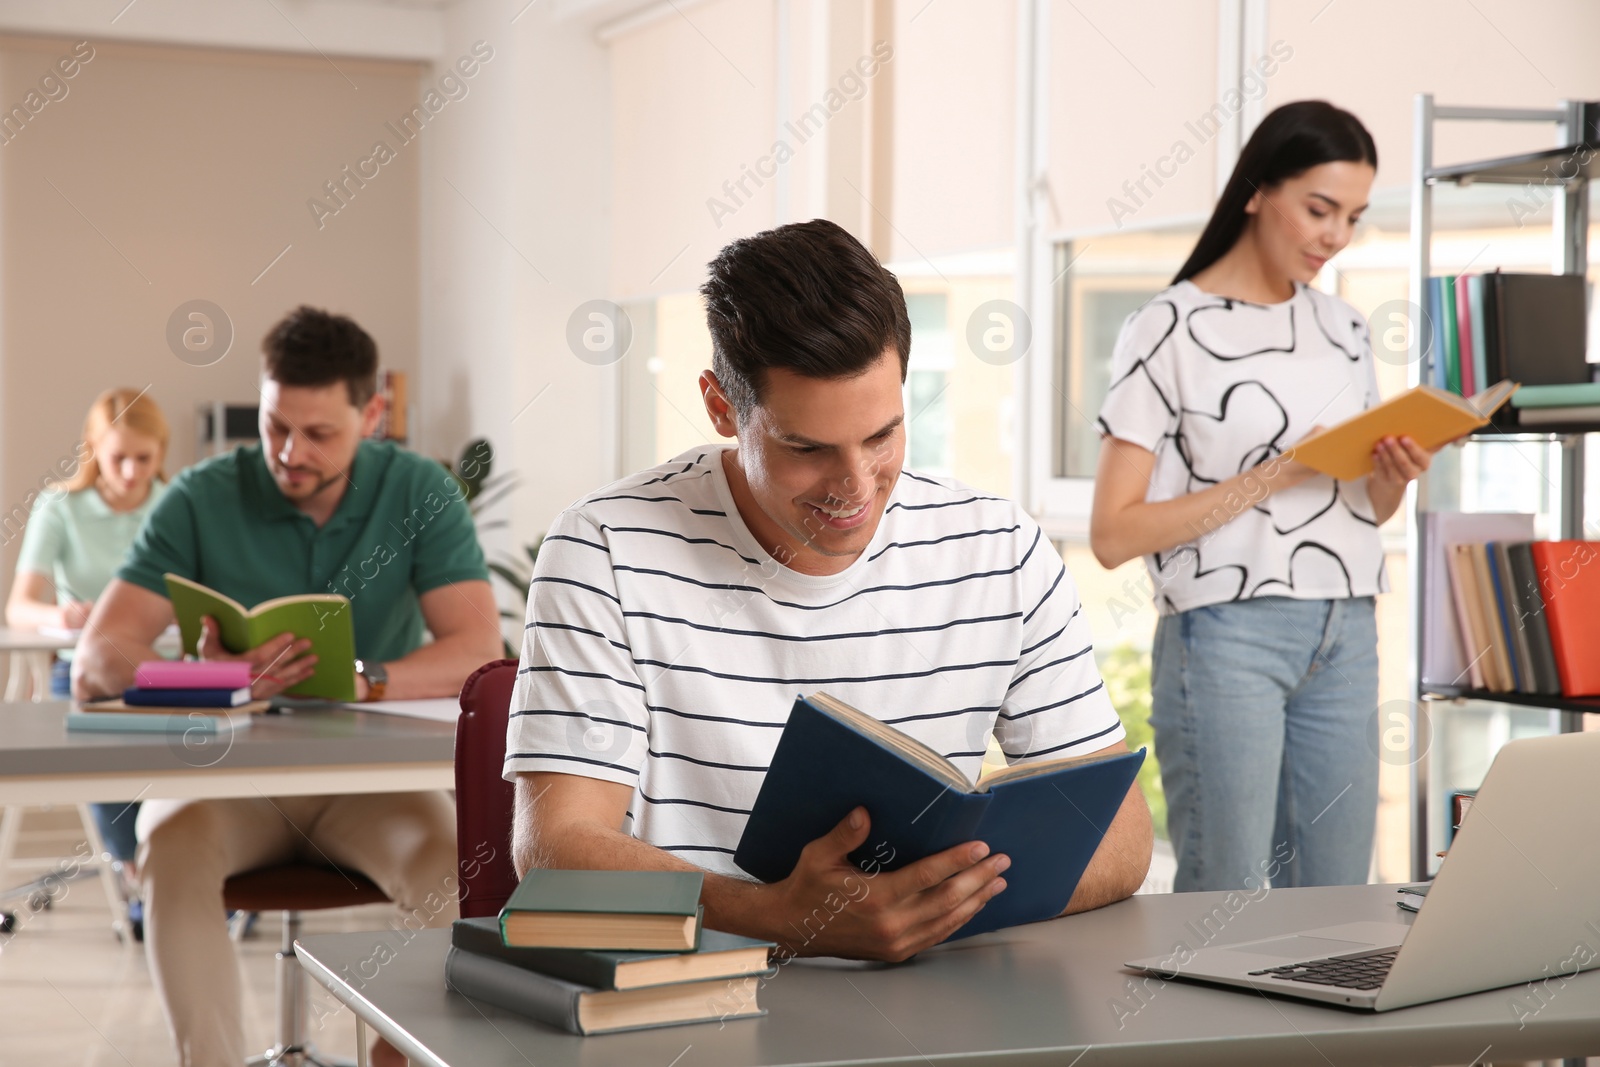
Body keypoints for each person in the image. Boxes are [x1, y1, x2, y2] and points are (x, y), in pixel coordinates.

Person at [506, 219, 1152, 962]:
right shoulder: (605, 548)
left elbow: (1122, 833)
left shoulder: (999, 549)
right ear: (723, 408)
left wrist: (919, 915)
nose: (854, 486)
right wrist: (777, 916)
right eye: (807, 449)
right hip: (693, 995)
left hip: (929, 1001)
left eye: (882, 436)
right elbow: (556, 849)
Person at [74, 307, 502, 1067]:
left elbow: (479, 650)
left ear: (371, 416)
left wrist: (365, 680)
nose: (288, 452)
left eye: (318, 434)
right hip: (221, 781)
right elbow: (99, 657)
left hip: (367, 786)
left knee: (451, 869)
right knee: (169, 855)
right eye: (275, 426)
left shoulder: (419, 491)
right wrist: (211, 677)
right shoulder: (203, 494)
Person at [1090, 101, 1432, 893]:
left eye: (1351, 215)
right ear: (1255, 191)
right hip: (1226, 635)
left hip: (1347, 628)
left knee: (1342, 896)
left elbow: (1360, 514)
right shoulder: (1165, 329)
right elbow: (1112, 532)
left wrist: (1389, 479)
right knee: (1227, 895)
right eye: (1319, 208)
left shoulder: (1346, 328)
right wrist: (1277, 473)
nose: (1335, 235)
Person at [8, 387, 169, 898]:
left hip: (169, 667)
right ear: (93, 448)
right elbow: (19, 606)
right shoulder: (61, 506)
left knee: (214, 740)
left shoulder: (176, 505)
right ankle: (137, 871)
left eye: (143, 458)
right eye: (118, 457)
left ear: (161, 452)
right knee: (104, 747)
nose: (130, 472)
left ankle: (185, 873)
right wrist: (63, 614)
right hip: (87, 671)